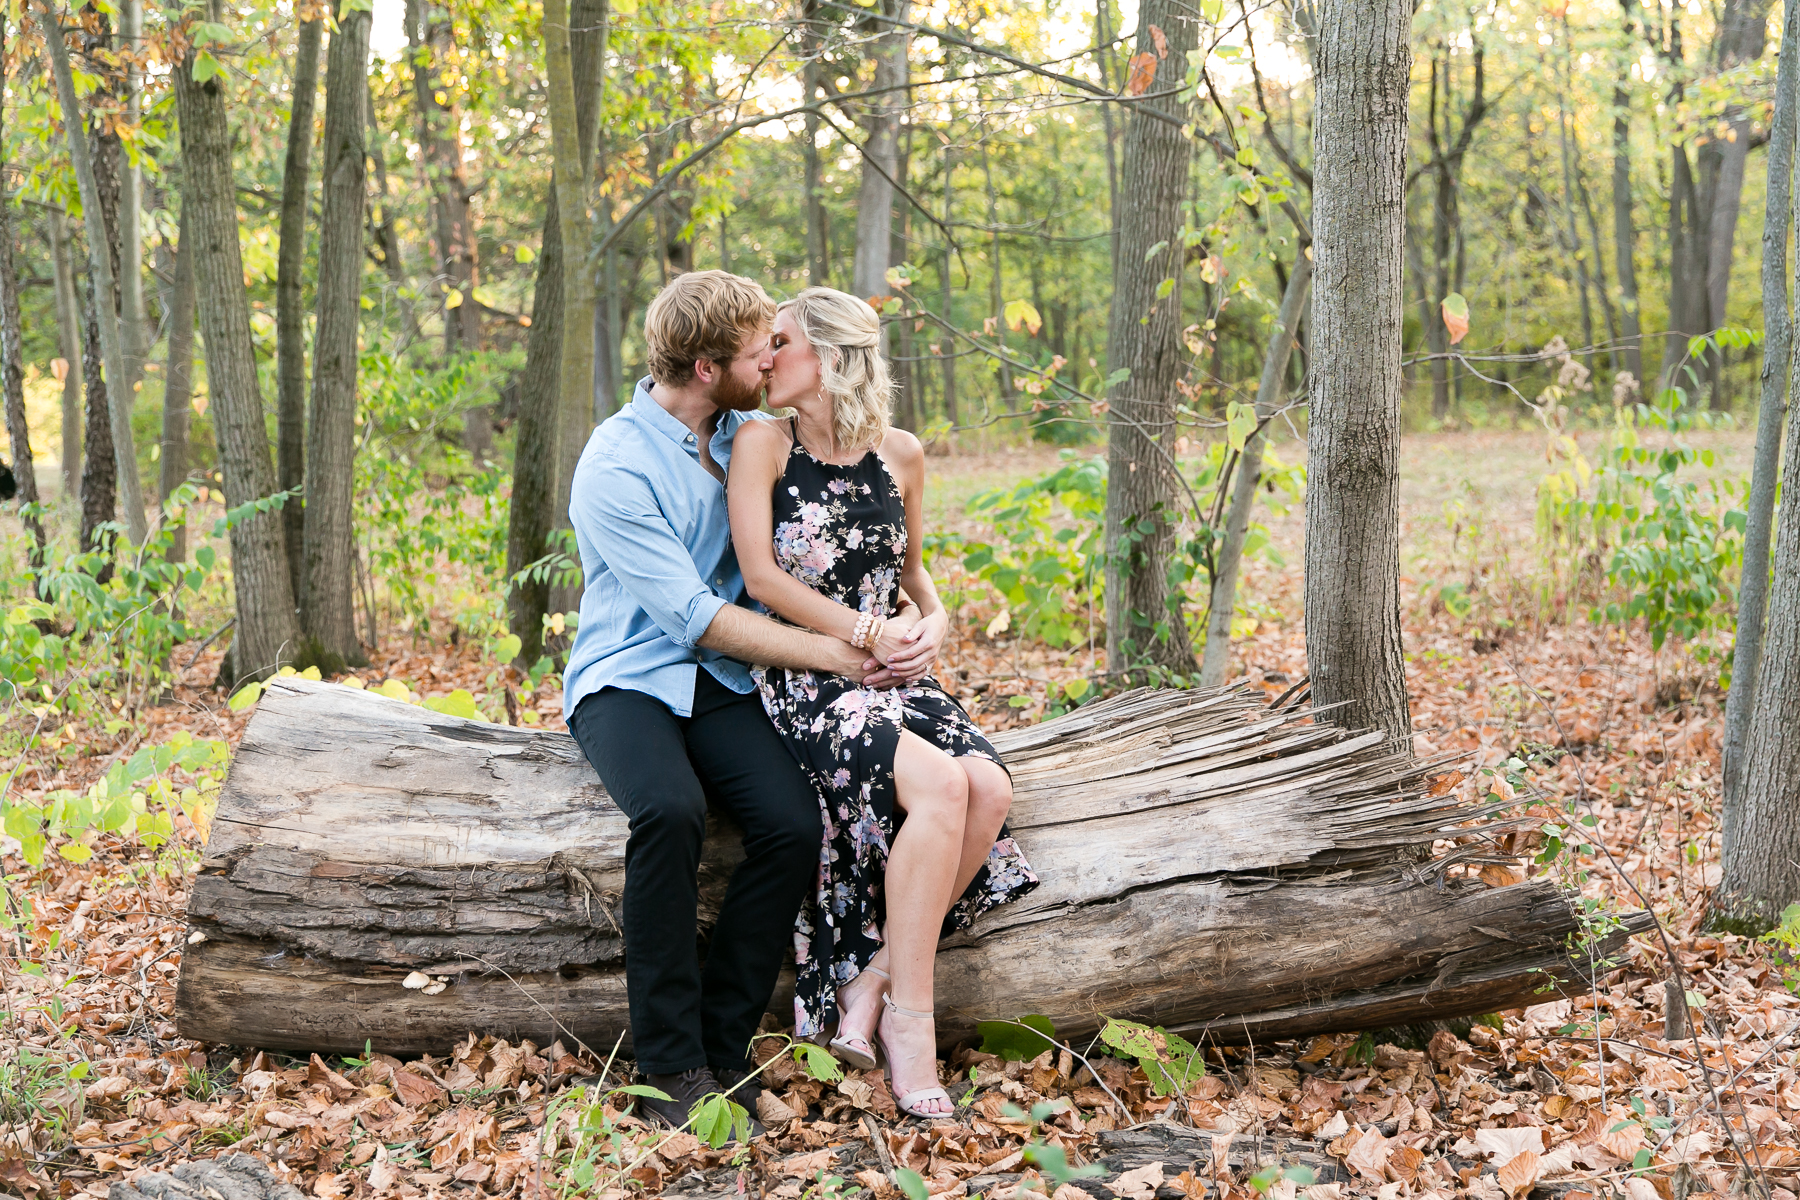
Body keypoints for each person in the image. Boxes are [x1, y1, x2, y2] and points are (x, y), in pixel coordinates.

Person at [562, 271, 926, 1133]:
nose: (771, 356)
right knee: (669, 811)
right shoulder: (614, 464)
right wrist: (845, 651)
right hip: (629, 676)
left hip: (727, 684)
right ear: (701, 366)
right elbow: (694, 619)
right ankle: (669, 1067)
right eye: (756, 348)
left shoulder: (746, 434)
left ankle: (726, 1054)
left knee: (792, 826)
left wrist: (902, 613)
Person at [727, 287, 1039, 1119]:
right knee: (940, 787)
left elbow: (913, 575)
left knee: (992, 788)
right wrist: (865, 632)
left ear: (826, 357)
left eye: (779, 342)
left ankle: (871, 980)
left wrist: (934, 622)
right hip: (808, 676)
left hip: (896, 669)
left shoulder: (900, 453)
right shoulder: (763, 444)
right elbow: (760, 578)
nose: (765, 359)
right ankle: (912, 1026)